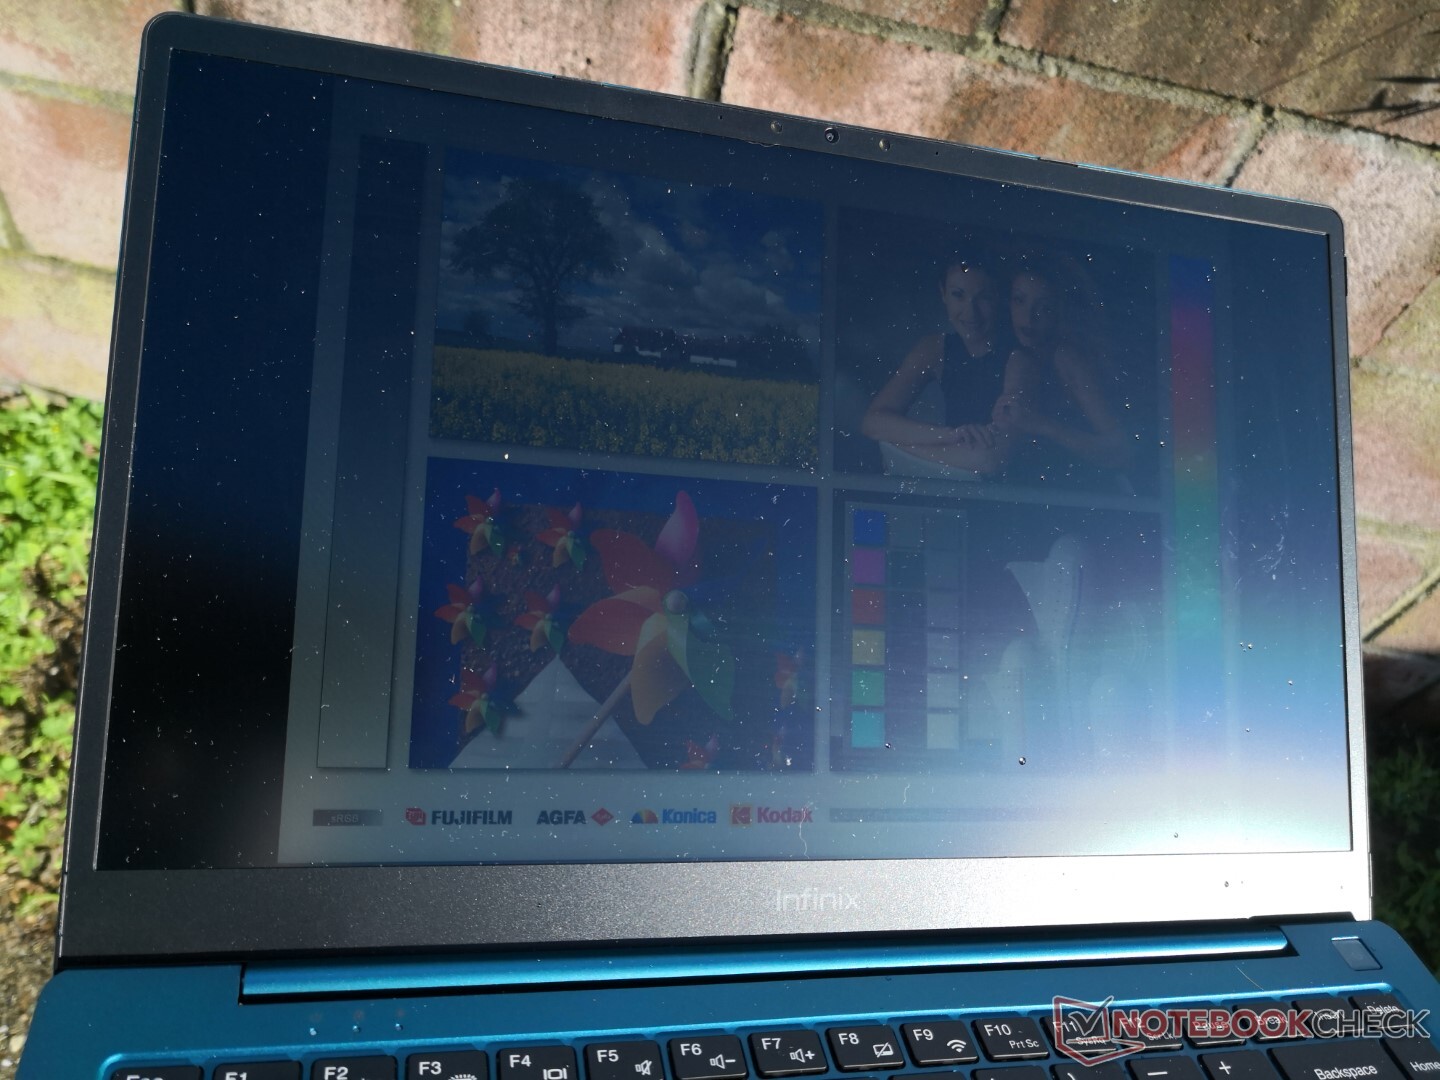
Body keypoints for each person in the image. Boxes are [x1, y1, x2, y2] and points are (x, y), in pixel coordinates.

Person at [860, 255, 1022, 476]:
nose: (970, 312)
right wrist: (949, 435)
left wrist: (899, 444)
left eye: (983, 297)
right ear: (943, 293)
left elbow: (988, 460)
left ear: (998, 298)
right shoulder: (935, 348)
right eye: (958, 295)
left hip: (1006, 490)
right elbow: (873, 422)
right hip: (956, 481)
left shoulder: (1019, 358)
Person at [990, 263, 1131, 485]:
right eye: (1019, 300)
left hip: (1085, 492)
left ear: (1061, 311)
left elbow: (1120, 451)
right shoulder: (1012, 355)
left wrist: (1041, 425)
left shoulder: (1066, 357)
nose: (1029, 317)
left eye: (1044, 308)